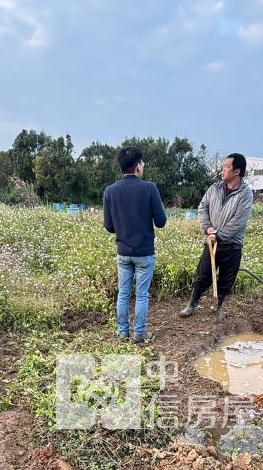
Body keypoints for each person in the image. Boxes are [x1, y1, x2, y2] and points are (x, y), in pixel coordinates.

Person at [103, 145, 167, 343]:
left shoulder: (110, 191)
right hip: (144, 253)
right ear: (138, 166)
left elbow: (109, 226)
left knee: (123, 293)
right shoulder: (150, 189)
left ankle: (123, 333)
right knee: (141, 295)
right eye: (142, 163)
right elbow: (161, 222)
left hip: (123, 252)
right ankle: (139, 334)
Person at [180, 152, 253, 322]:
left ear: (237, 171)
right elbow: (202, 208)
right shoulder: (214, 188)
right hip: (211, 242)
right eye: (223, 166)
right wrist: (207, 229)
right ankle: (192, 304)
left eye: (226, 167)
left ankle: (219, 307)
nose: (222, 170)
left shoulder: (245, 194)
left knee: (226, 279)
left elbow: (238, 222)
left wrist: (219, 235)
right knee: (202, 274)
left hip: (232, 245)